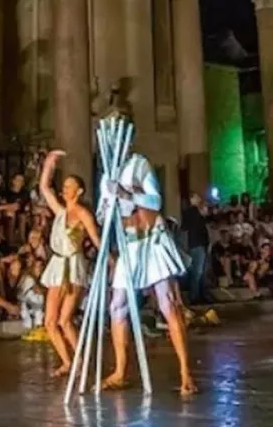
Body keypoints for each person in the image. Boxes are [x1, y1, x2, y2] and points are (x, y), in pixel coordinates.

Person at [101, 147, 197, 396]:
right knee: (117, 307)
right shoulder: (107, 173)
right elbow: (104, 215)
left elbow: (154, 201)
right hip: (129, 244)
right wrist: (108, 206)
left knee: (168, 304)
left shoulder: (139, 164)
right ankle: (121, 371)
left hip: (152, 240)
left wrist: (125, 193)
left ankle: (186, 372)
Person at [36, 149, 99, 376]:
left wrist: (109, 260)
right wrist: (49, 164)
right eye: (65, 185)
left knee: (65, 319)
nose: (65, 189)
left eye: (69, 186)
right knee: (50, 321)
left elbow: (95, 239)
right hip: (57, 265)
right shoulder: (60, 212)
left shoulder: (83, 214)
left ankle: (80, 359)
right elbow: (44, 188)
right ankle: (68, 362)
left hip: (73, 267)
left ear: (79, 191)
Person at [180, 192, 212, 306]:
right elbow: (185, 229)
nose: (199, 198)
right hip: (196, 244)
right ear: (192, 199)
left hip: (200, 244)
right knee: (197, 272)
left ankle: (200, 294)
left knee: (201, 271)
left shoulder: (196, 212)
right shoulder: (192, 212)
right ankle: (195, 296)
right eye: (197, 197)